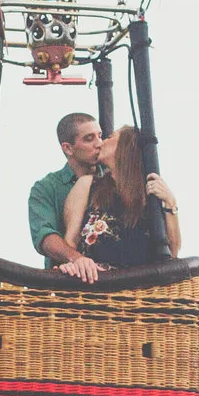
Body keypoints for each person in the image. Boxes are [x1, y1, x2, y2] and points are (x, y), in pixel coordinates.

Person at [62, 124, 181, 271]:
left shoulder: (149, 193)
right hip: (95, 284)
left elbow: (172, 253)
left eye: (110, 137)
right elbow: (70, 240)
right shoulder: (87, 185)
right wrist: (74, 262)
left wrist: (171, 203)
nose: (101, 142)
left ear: (126, 147)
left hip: (140, 287)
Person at [30, 113, 106, 282]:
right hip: (68, 281)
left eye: (100, 136)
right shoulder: (46, 187)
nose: (99, 144)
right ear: (68, 148)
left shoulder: (114, 179)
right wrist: (77, 259)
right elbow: (45, 236)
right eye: (89, 138)